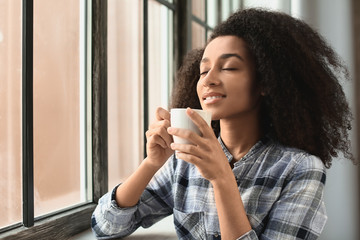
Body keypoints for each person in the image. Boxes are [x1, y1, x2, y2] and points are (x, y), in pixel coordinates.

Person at [91, 8, 354, 239]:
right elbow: (106, 226)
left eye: (228, 67)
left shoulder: (300, 169)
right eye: (204, 71)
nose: (208, 80)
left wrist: (222, 178)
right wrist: (151, 164)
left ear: (265, 81)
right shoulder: (184, 163)